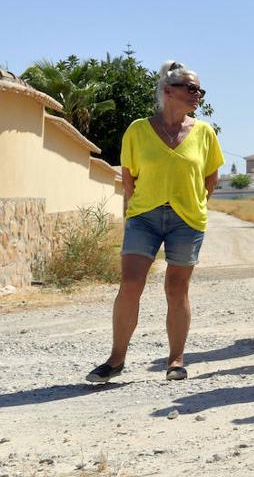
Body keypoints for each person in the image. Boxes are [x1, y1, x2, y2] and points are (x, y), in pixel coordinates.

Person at [87, 61, 223, 383]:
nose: (198, 95)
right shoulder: (137, 130)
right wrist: (139, 206)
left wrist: (196, 204)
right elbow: (129, 177)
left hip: (187, 219)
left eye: (200, 90)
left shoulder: (204, 132)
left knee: (177, 288)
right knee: (131, 284)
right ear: (168, 90)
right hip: (144, 217)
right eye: (192, 89)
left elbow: (211, 177)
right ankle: (116, 359)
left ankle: (176, 360)